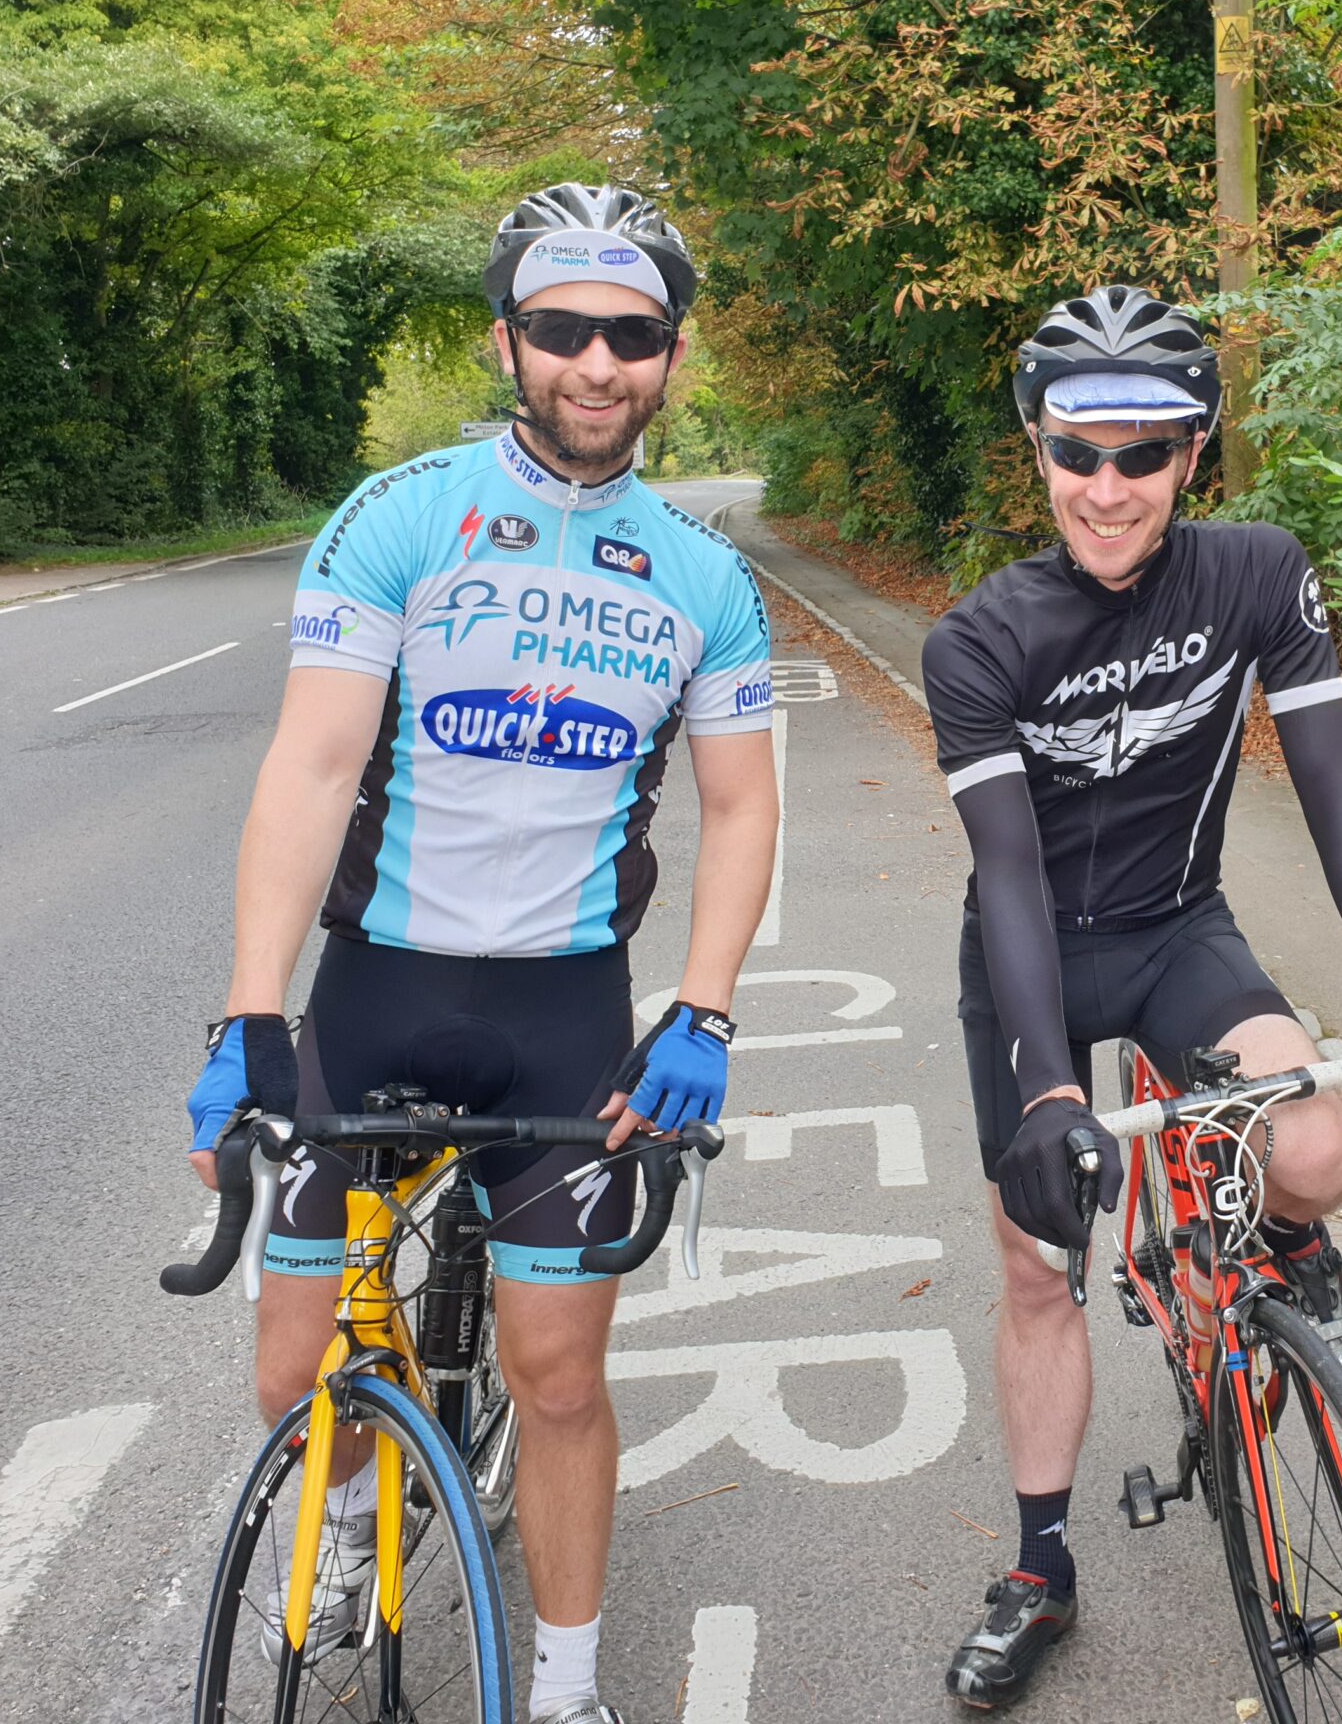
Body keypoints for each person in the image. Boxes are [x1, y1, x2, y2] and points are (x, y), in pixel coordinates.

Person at [185, 183, 778, 1724]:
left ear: (671, 355)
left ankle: (566, 1689)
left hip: (562, 1020)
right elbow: (313, 769)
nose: (599, 363)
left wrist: (704, 1012)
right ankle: (353, 1517)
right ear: (506, 341)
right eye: (564, 329)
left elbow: (740, 807)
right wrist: (250, 1015)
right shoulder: (401, 516)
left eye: (632, 335)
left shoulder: (704, 576)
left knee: (559, 1377)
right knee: (295, 1372)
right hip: (377, 990)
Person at [921, 284, 1342, 1709]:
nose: (1107, 488)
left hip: (1180, 931)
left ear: (1192, 457)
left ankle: (1285, 1253)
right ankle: (1039, 1569)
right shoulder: (979, 640)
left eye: (1144, 454)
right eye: (1077, 453)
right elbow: (1007, 875)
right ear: (1039, 451)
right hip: (1034, 959)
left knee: (1318, 1149)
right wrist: (1052, 1092)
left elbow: (1339, 798)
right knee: (1036, 1260)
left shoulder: (1257, 573)